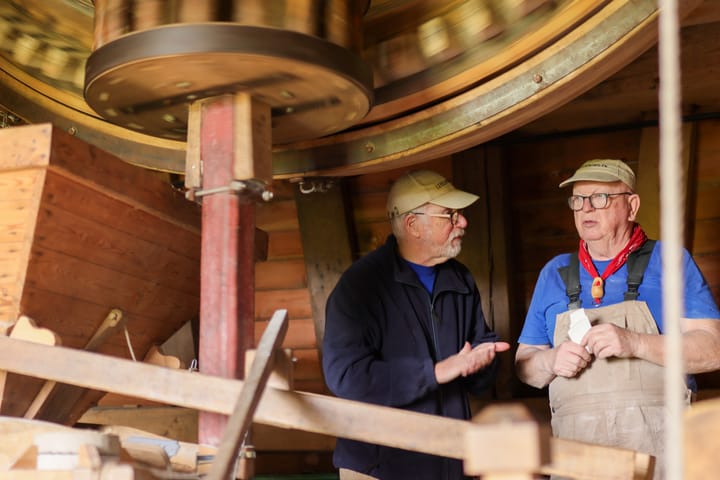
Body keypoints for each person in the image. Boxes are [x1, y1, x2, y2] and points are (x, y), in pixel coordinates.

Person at [515, 158, 720, 479]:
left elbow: (712, 350)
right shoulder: (554, 273)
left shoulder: (669, 261)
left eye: (600, 198)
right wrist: (551, 361)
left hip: (658, 450)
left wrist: (634, 342)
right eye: (578, 200)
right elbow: (525, 365)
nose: (586, 209)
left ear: (632, 206)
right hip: (575, 453)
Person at [322, 169, 510, 480]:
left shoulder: (460, 278)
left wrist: (482, 360)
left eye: (459, 214)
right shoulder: (360, 285)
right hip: (377, 467)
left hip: (448, 460)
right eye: (449, 214)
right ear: (413, 225)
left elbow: (477, 366)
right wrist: (436, 372)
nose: (462, 222)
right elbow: (346, 376)